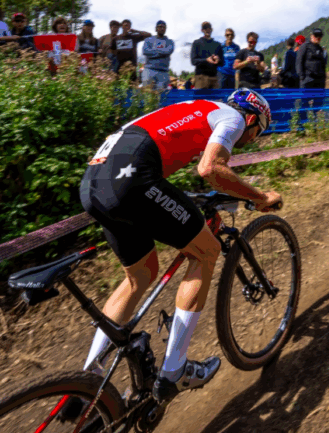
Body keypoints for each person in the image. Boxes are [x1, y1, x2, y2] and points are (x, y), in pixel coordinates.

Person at [77, 88, 281, 408]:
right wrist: (260, 197)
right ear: (253, 119)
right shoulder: (234, 118)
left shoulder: (195, 109)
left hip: (94, 183)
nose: (253, 138)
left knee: (140, 276)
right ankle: (175, 371)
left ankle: (86, 385)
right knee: (206, 251)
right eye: (258, 131)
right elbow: (210, 169)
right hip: (132, 180)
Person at [141, 20, 175, 90]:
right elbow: (146, 51)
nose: (162, 28)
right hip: (149, 70)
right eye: (160, 27)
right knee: (147, 92)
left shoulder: (170, 42)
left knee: (161, 94)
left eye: (164, 27)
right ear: (156, 29)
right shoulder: (148, 40)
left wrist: (153, 51)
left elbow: (168, 51)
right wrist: (162, 53)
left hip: (163, 72)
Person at [190, 22, 224, 89]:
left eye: (209, 28)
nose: (207, 30)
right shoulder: (196, 43)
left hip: (214, 77)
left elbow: (222, 62)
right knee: (201, 96)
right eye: (205, 28)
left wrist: (218, 59)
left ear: (212, 29)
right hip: (201, 77)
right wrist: (206, 60)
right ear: (202, 30)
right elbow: (193, 61)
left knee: (215, 96)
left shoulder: (217, 44)